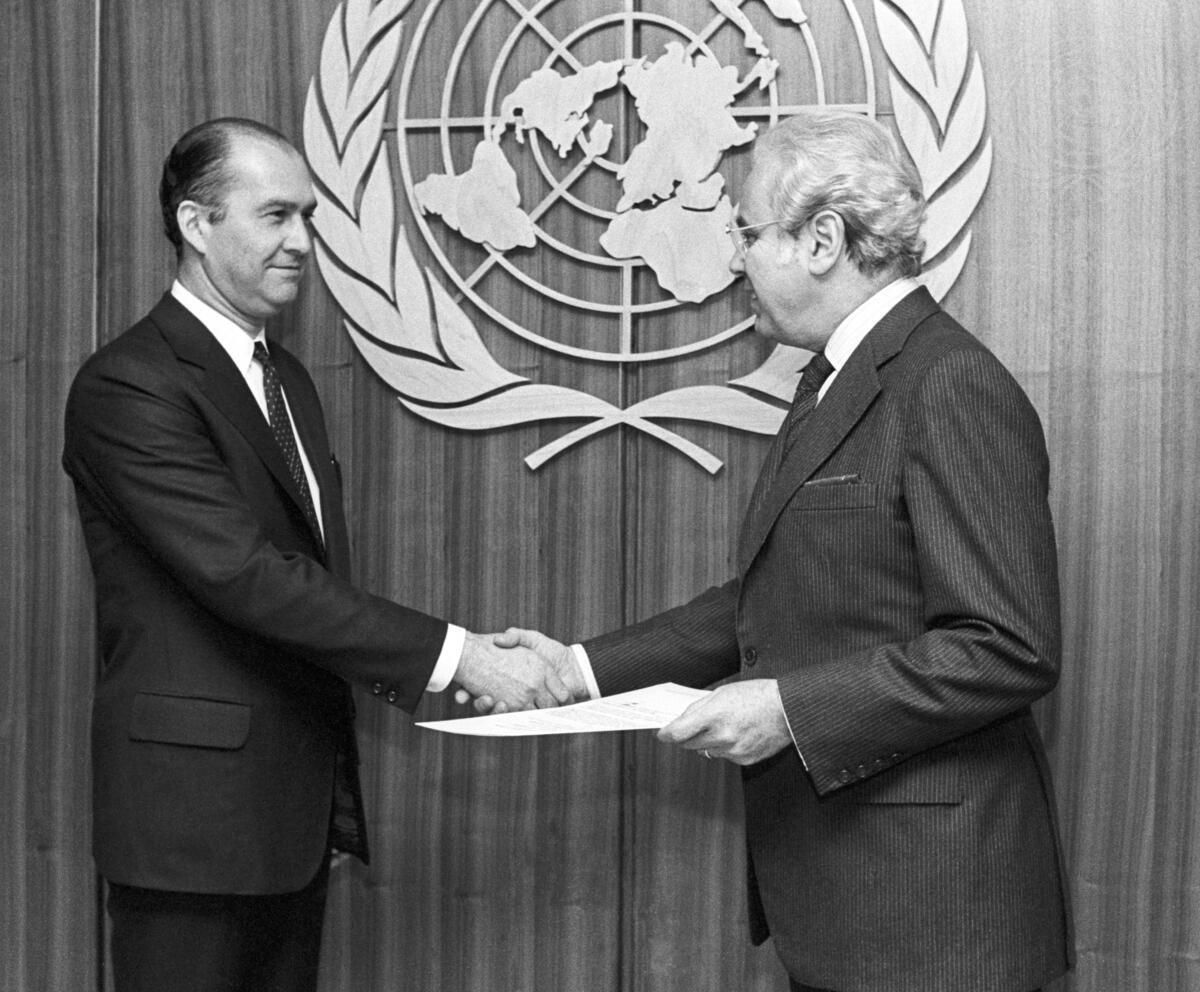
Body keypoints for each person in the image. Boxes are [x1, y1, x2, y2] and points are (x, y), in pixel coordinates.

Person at [488, 109, 1074, 992]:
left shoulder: (946, 381)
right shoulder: (835, 377)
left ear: (823, 240)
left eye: (749, 233)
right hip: (855, 902)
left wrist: (790, 710)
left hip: (933, 918)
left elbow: (1007, 647)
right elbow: (776, 595)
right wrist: (576, 670)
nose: (737, 258)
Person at [62, 117, 568, 992]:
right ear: (195, 224)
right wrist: (460, 656)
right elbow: (248, 577)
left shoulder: (286, 380)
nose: (302, 241)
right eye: (276, 216)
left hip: (287, 823)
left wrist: (327, 805)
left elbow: (313, 586)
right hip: (190, 832)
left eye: (308, 216)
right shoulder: (130, 384)